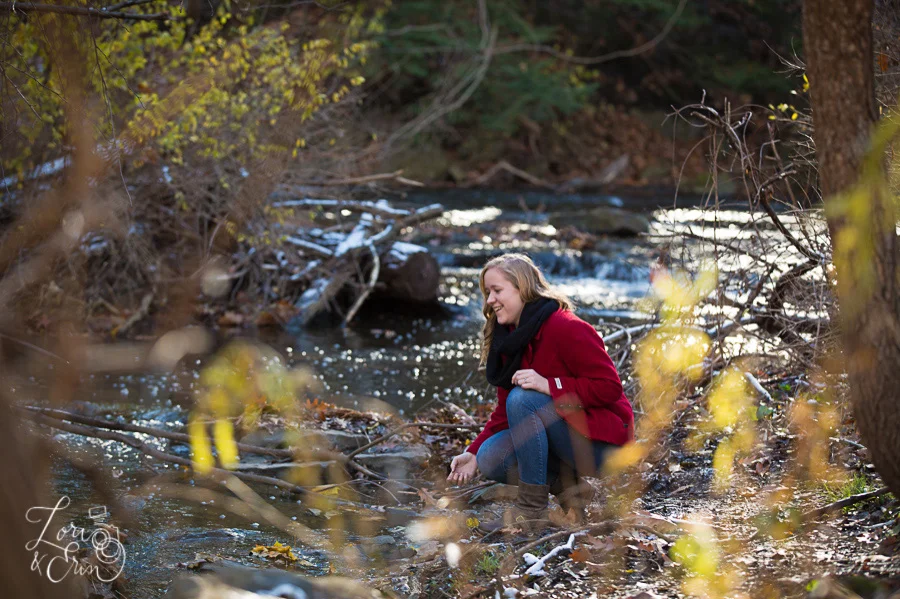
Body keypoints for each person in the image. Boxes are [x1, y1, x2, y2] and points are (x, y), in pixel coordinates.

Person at [447, 253, 634, 531]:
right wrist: (472, 453)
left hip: (602, 446)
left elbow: (609, 387)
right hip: (563, 437)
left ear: (522, 288)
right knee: (490, 457)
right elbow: (504, 412)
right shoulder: (509, 338)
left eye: (497, 291)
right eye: (487, 293)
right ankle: (572, 492)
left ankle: (531, 512)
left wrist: (550, 385)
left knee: (524, 398)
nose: (489, 301)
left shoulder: (566, 327)